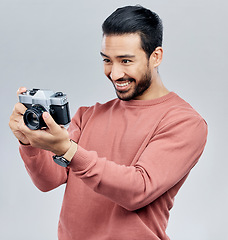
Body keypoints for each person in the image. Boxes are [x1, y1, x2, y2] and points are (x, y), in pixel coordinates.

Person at [9, 5, 208, 240]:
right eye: (107, 60)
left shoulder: (185, 123)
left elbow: (138, 190)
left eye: (125, 61)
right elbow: (49, 180)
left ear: (156, 57)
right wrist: (29, 143)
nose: (114, 74)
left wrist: (67, 149)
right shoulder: (89, 115)